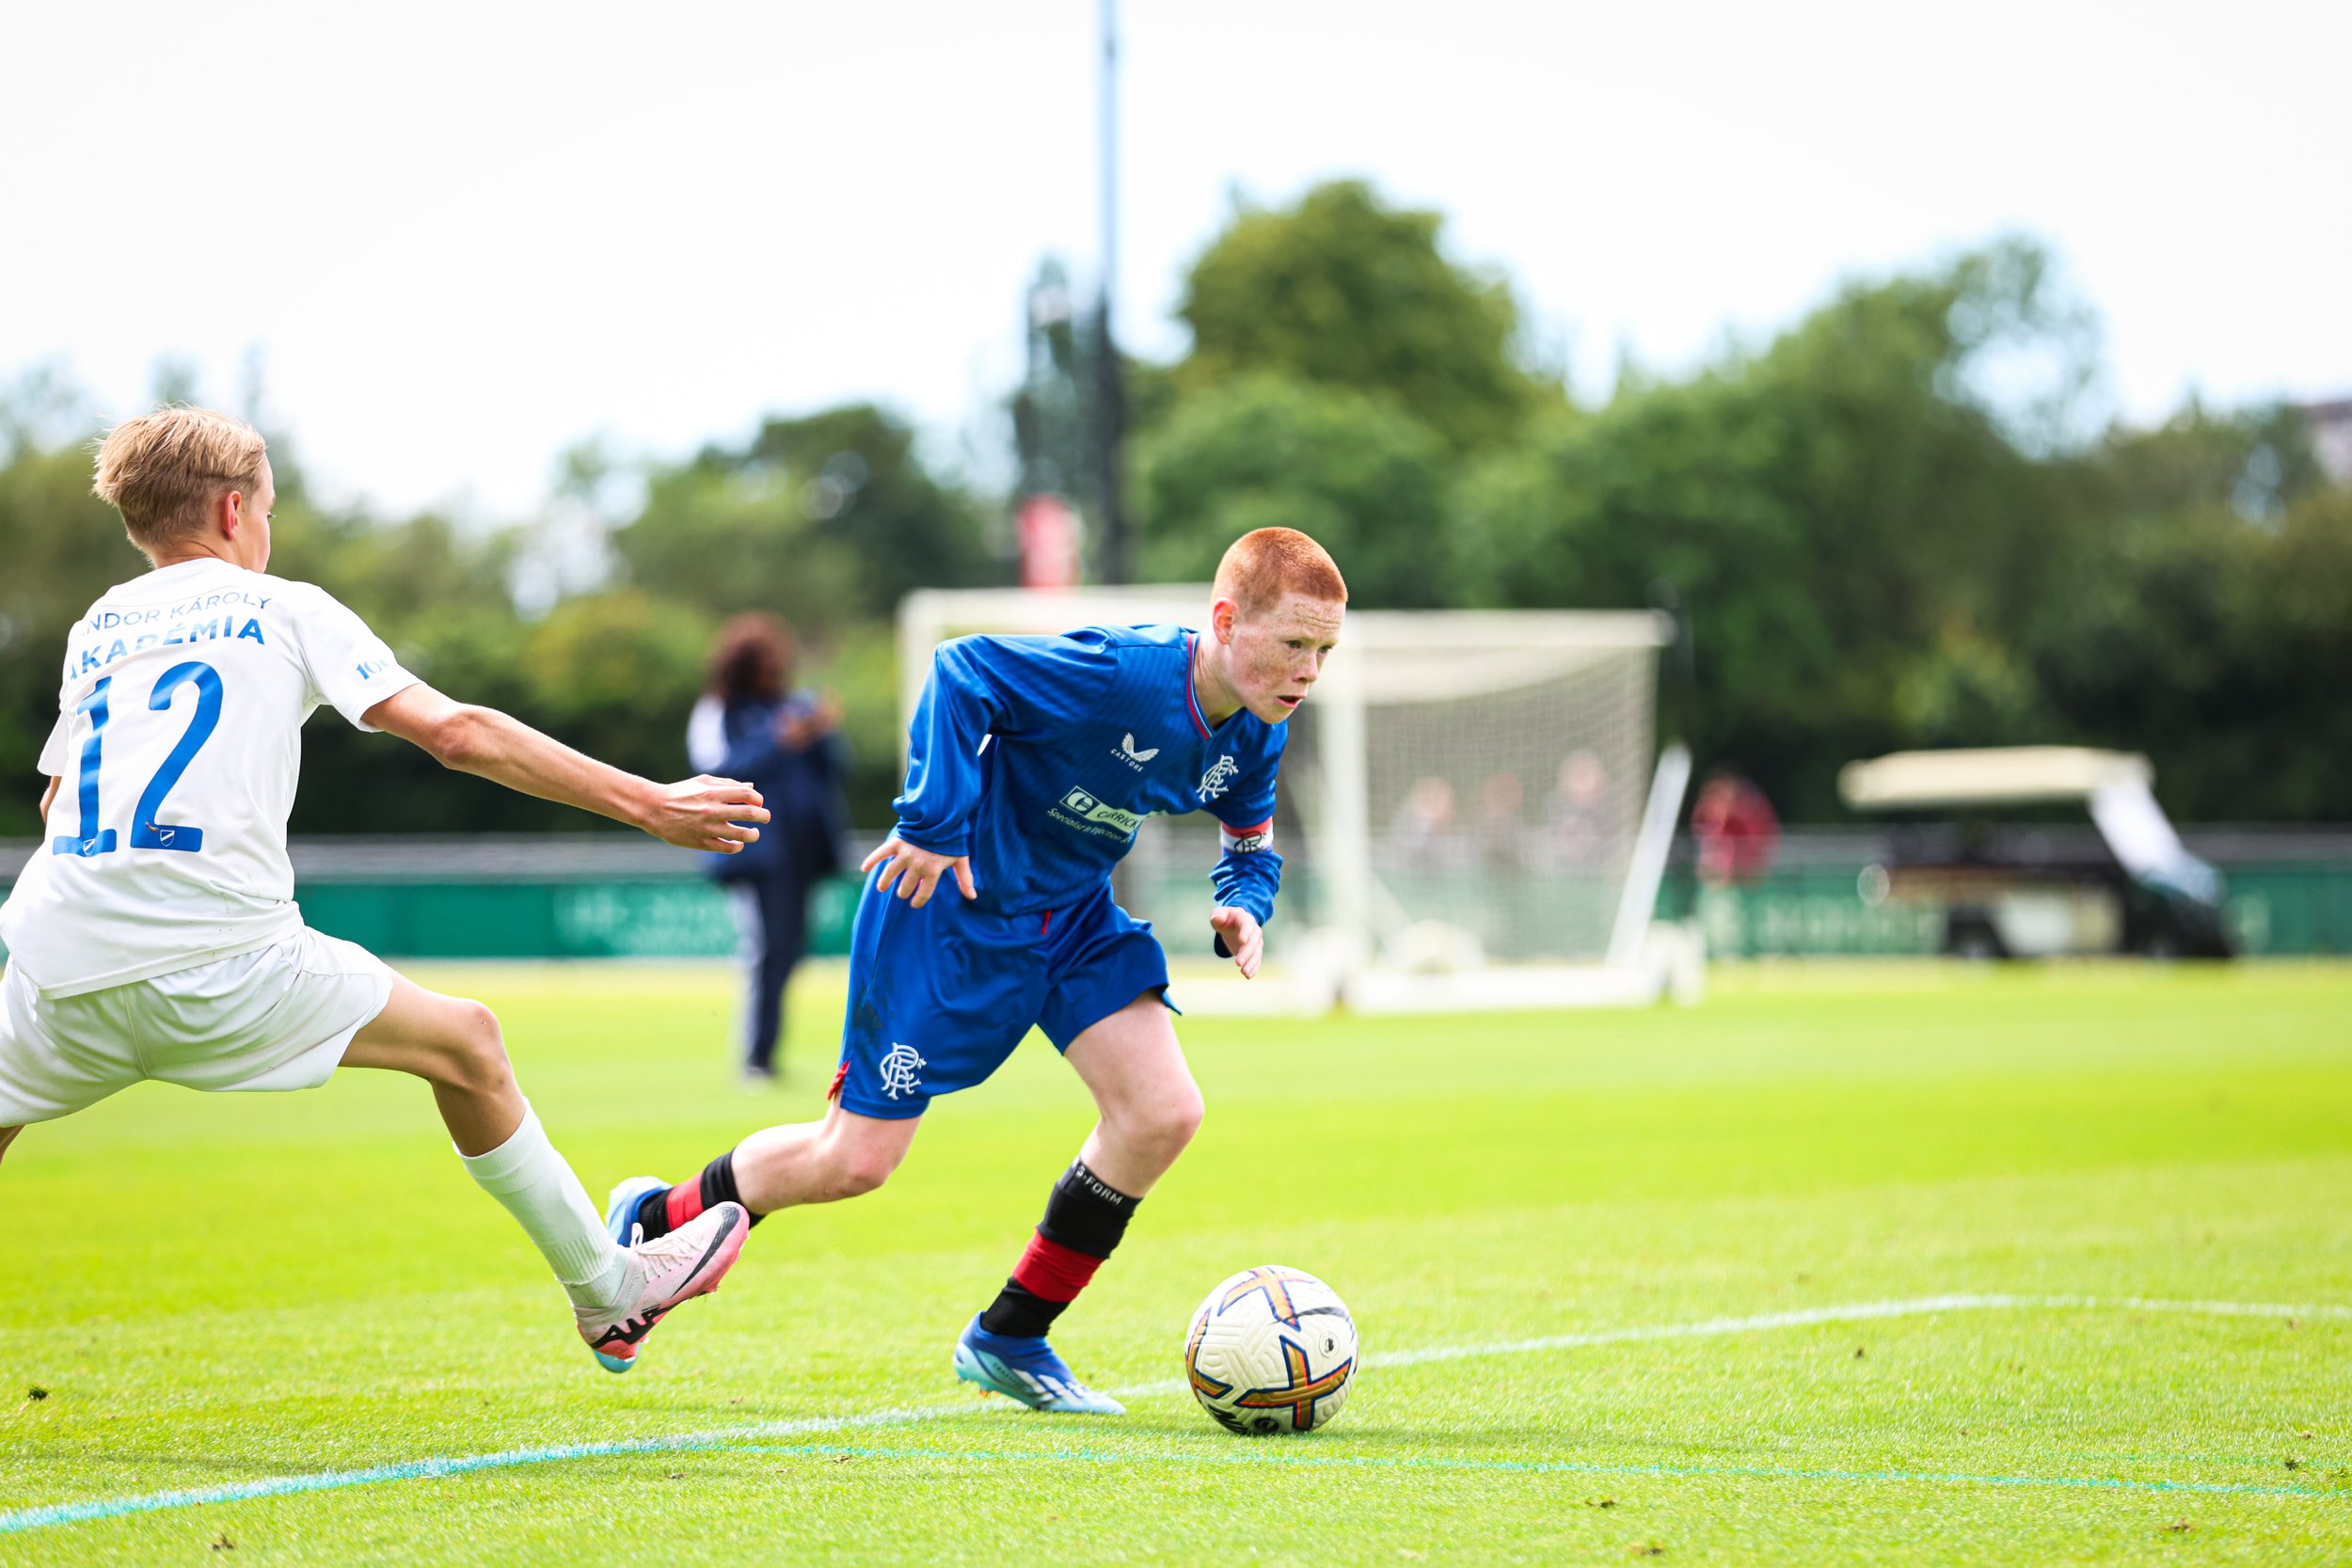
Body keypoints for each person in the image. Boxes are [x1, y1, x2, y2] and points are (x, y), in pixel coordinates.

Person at [0, 408, 758, 1373]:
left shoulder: (97, 625)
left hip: (57, 956)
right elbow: (457, 732)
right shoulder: (285, 607)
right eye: (267, 506)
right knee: (468, 1044)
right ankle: (609, 1293)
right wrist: (649, 802)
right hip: (229, 961)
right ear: (236, 510)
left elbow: (58, 798)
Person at [606, 527, 1347, 1413]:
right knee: (855, 1161)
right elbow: (963, 673)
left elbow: (1249, 840)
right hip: (945, 910)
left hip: (1072, 918)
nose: (1309, 670)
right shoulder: (1122, 673)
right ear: (1226, 620)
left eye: (1325, 650)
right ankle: (659, 1219)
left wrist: (1244, 904)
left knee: (1162, 1113)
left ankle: (1010, 1334)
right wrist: (932, 823)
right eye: (1294, 643)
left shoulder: (1260, 727)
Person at [686, 614, 849, 1083]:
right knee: (766, 949)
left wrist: (821, 731)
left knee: (790, 951)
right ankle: (755, 1059)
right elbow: (714, 769)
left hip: (802, 852)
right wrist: (778, 741)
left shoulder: (793, 707)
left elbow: (838, 768)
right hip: (755, 850)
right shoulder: (721, 709)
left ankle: (766, 1055)